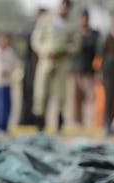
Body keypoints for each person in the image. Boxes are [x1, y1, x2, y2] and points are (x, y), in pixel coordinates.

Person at [31, 0, 80, 132]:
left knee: (60, 95)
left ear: (69, 8)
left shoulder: (73, 25)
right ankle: (40, 124)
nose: (63, 8)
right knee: (41, 93)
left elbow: (76, 45)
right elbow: (36, 40)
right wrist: (45, 51)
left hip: (62, 63)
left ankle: (59, 124)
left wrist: (65, 49)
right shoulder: (45, 20)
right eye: (62, 4)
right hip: (46, 61)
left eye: (66, 6)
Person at [70, 9, 100, 126]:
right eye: (81, 17)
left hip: (89, 71)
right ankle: (77, 123)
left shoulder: (94, 34)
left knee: (91, 98)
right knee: (75, 99)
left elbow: (97, 50)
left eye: (86, 17)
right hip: (75, 70)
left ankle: (90, 122)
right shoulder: (74, 33)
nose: (84, 20)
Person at [18, 8, 47, 126]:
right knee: (27, 92)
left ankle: (38, 120)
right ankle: (25, 119)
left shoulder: (48, 29)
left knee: (40, 94)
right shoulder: (30, 26)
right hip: (30, 65)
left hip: (42, 64)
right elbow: (20, 33)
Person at [0, 32, 20, 135]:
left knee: (7, 105)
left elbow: (16, 63)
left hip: (7, 83)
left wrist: (9, 71)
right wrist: (3, 71)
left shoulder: (9, 51)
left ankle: (5, 127)